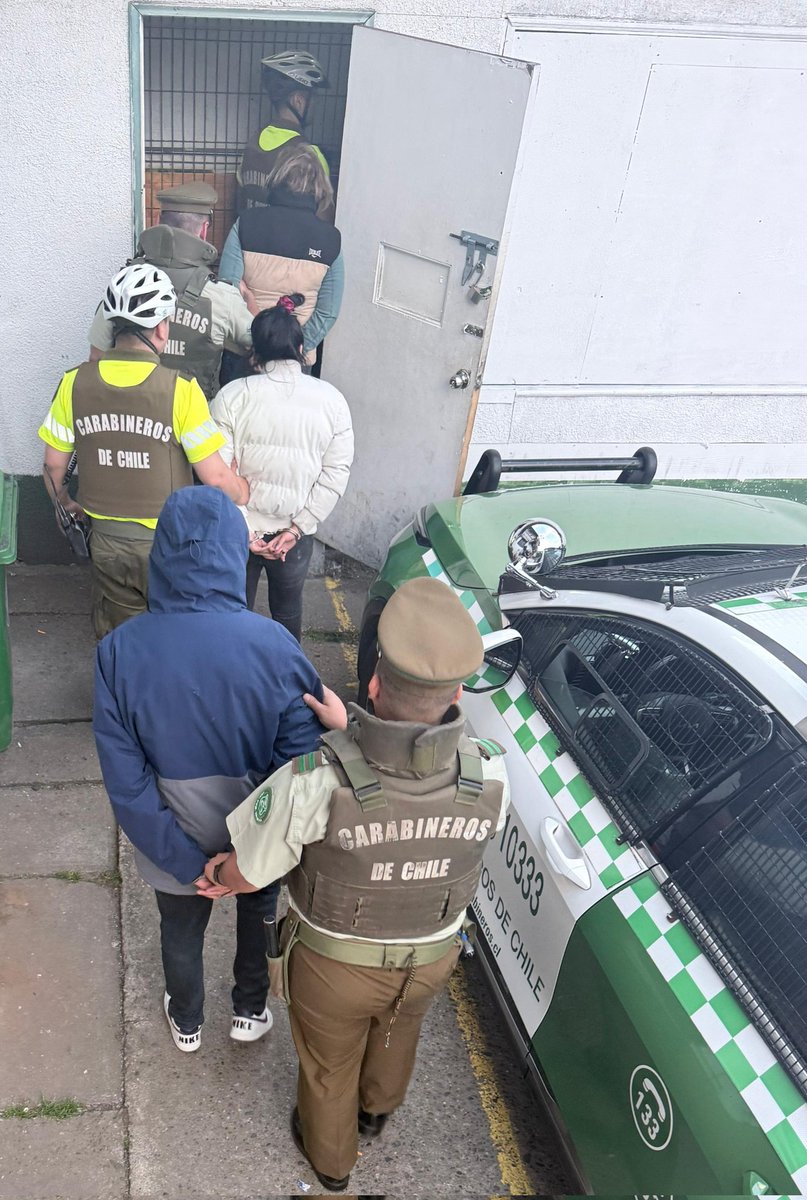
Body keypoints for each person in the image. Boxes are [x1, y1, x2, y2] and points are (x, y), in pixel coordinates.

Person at [199, 577, 511, 1191]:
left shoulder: (317, 777)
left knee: (325, 1066)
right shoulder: (490, 771)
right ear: (455, 692)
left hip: (334, 966)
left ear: (372, 683)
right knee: (398, 1026)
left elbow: (252, 867)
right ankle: (375, 1111)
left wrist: (218, 877)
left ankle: (333, 1163)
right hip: (431, 956)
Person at [92, 485, 345, 1051]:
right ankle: (250, 1009)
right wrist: (249, 851)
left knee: (179, 930)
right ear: (237, 554)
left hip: (172, 843)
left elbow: (126, 783)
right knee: (259, 914)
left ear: (161, 556)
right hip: (258, 838)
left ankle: (187, 1020)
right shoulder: (276, 644)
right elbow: (299, 761)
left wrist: (189, 864)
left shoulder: (118, 651)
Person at [39, 264, 248, 638]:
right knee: (172, 635)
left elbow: (53, 465)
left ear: (113, 327)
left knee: (119, 638)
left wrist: (66, 506)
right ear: (162, 328)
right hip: (171, 544)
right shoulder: (181, 391)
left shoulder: (74, 384)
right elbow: (215, 479)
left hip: (105, 539)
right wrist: (242, 490)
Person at [210, 296, 353, 641]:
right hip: (294, 535)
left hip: (237, 533)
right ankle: (288, 684)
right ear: (301, 348)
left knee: (232, 613)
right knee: (287, 612)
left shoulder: (232, 396)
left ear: (253, 351)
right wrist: (297, 529)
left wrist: (246, 531)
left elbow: (217, 472)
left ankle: (231, 685)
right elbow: (335, 474)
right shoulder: (332, 400)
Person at [87, 182, 253, 399]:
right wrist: (251, 301)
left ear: (158, 223)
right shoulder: (223, 296)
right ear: (203, 231)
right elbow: (261, 346)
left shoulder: (125, 289)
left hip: (134, 420)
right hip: (196, 425)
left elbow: (96, 358)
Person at [220, 143, 344, 371]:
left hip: (245, 354)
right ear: (320, 187)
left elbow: (228, 290)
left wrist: (258, 346)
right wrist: (295, 348)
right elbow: (328, 312)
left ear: (276, 178)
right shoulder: (330, 239)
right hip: (296, 359)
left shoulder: (247, 223)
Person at [237, 50, 334, 220]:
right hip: (289, 245)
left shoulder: (252, 144)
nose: (316, 104)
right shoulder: (311, 156)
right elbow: (323, 221)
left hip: (248, 242)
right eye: (314, 97)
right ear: (298, 100)